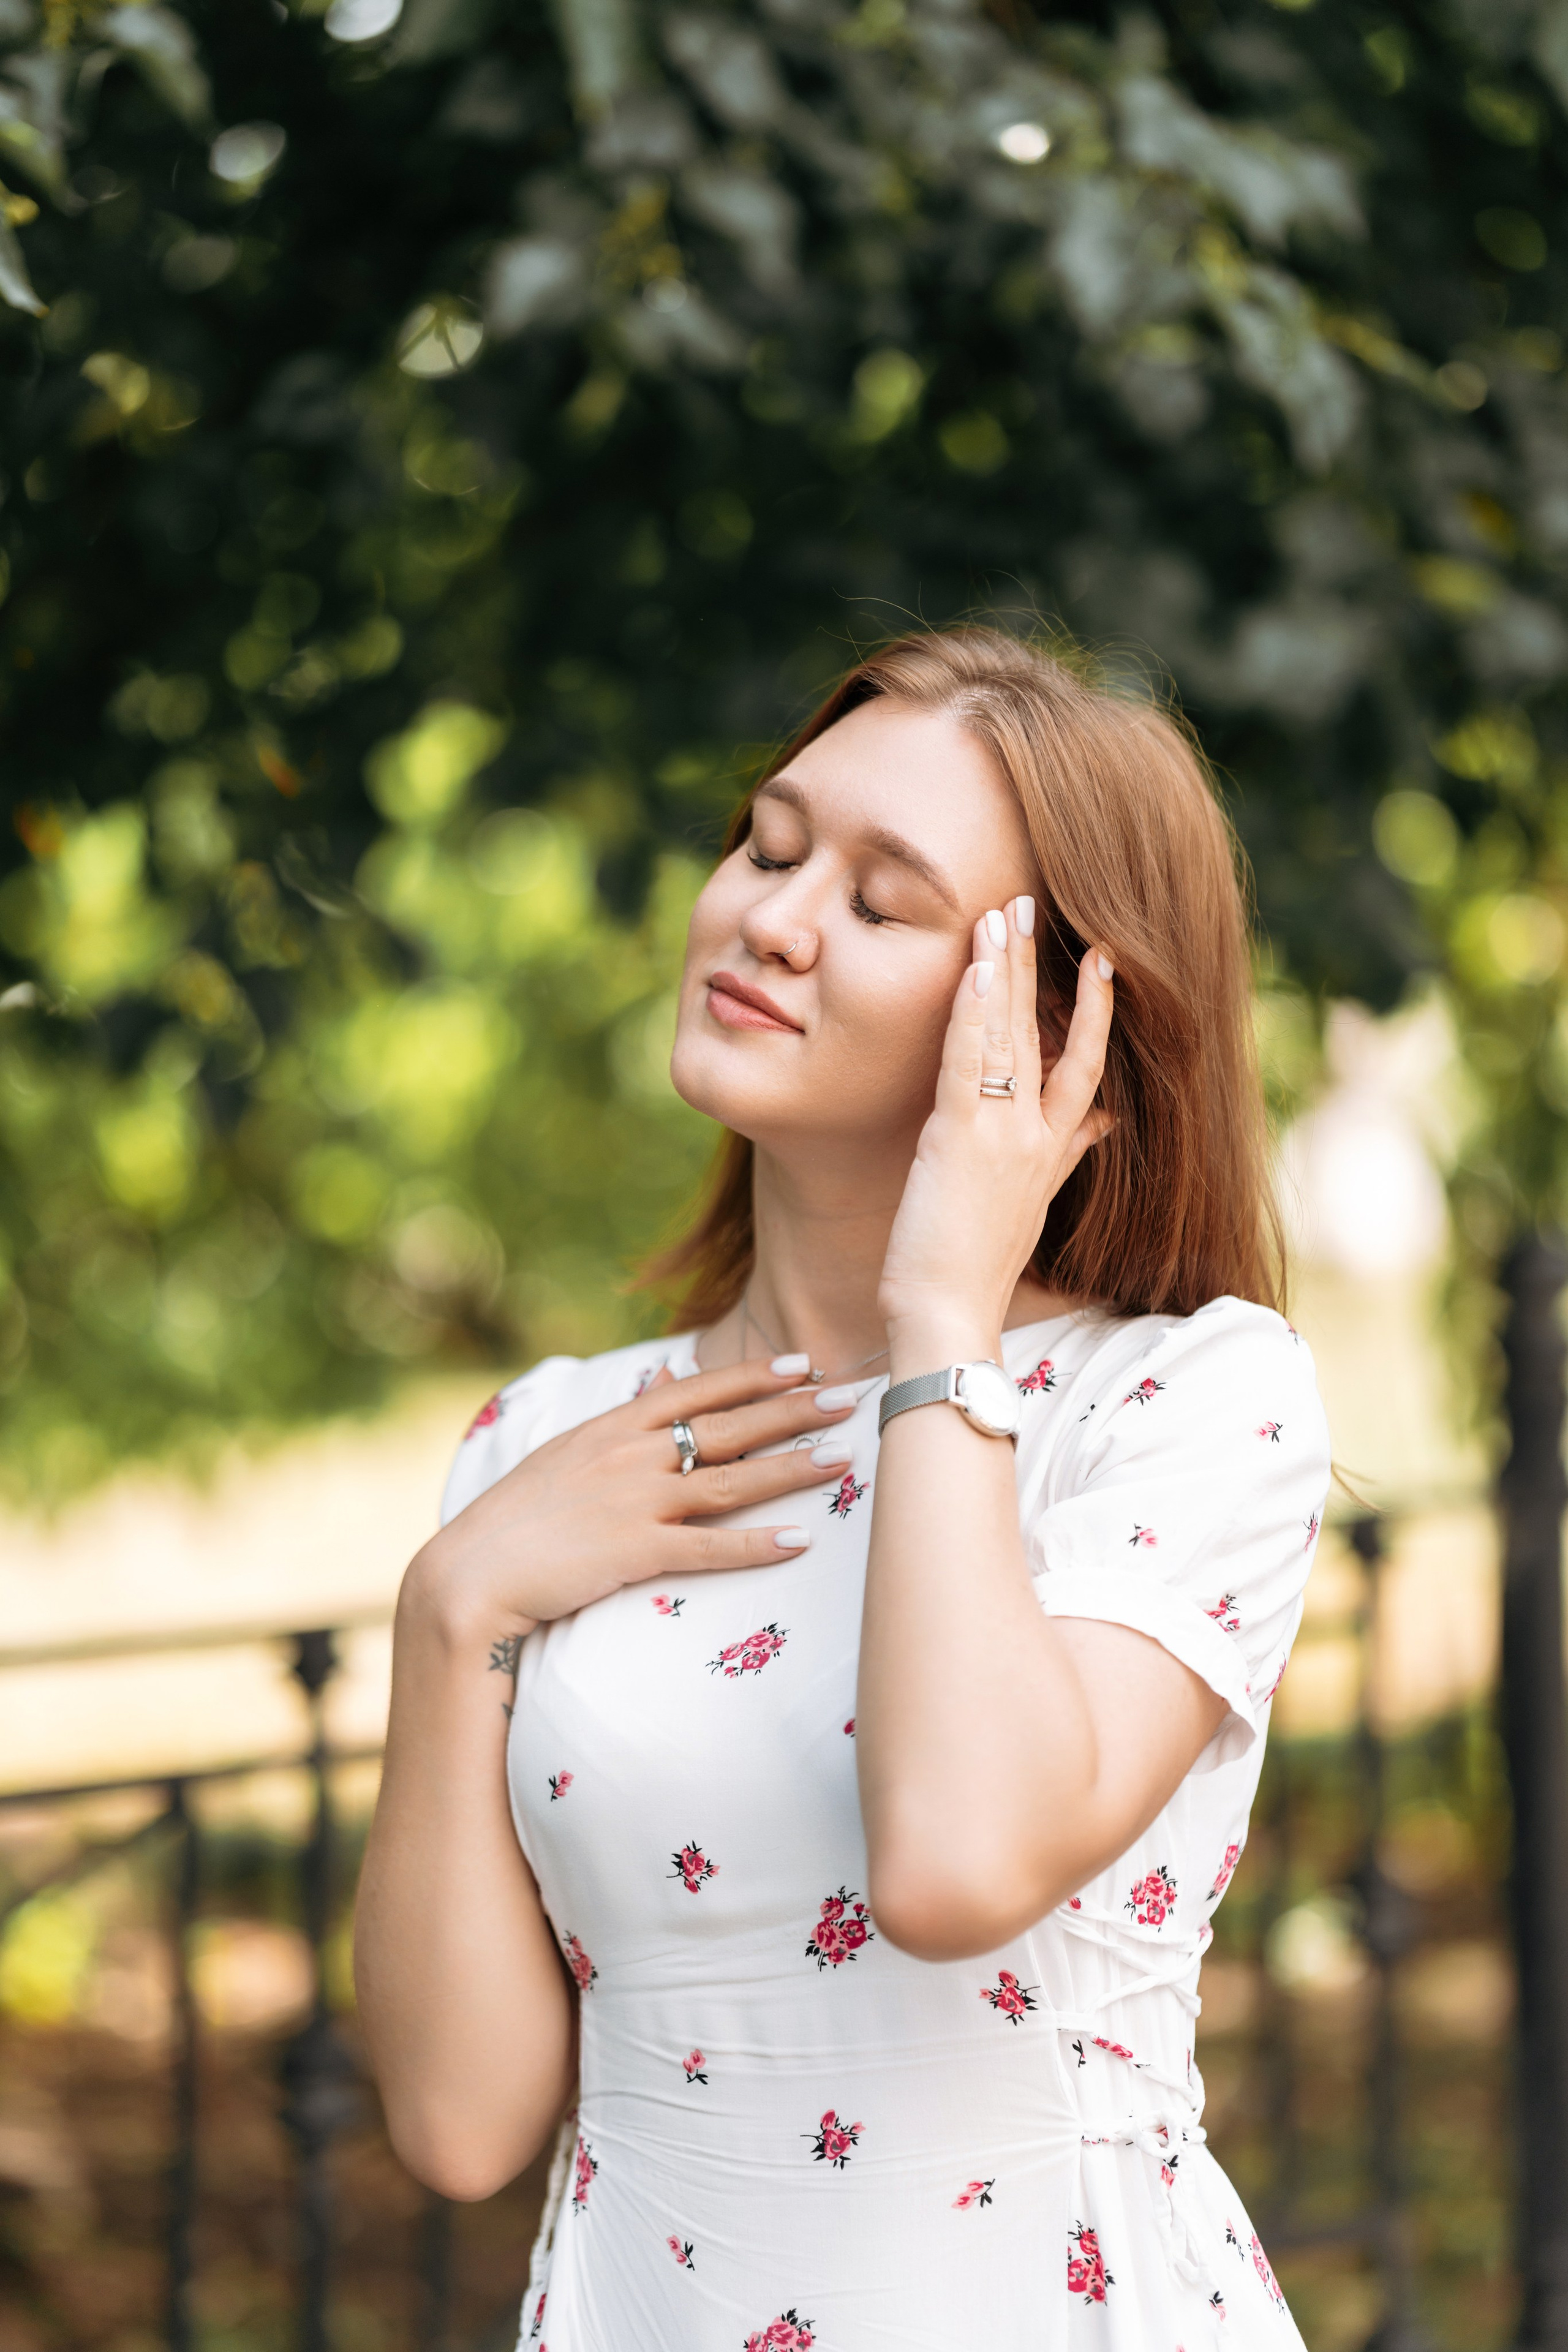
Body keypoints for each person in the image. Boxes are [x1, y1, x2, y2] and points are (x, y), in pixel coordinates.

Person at [354, 625, 1332, 2352]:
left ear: (1060, 1028)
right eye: (771, 843)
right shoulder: (542, 1450)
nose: (770, 917)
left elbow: (955, 1865)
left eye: (882, 904)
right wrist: (456, 1608)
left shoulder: (1176, 1403)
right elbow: (459, 2123)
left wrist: (941, 1326)